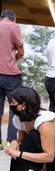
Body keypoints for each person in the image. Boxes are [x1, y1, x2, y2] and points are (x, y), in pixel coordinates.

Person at [0, 10, 24, 148]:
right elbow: (20, 51)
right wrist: (12, 60)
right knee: (15, 107)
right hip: (10, 75)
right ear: (13, 19)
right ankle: (10, 141)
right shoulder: (13, 26)